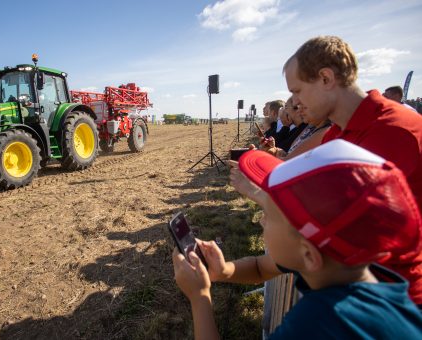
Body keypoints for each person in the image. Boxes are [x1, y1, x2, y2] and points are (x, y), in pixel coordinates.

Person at [232, 35, 422, 305]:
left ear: (325, 78)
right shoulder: (337, 134)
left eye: (297, 90)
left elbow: (344, 229)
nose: (294, 103)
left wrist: (267, 203)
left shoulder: (393, 132)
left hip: (393, 299)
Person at [174, 140, 422, 339]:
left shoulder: (323, 324)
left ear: (308, 254)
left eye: (268, 215)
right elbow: (261, 268)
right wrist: (224, 270)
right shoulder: (343, 268)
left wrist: (200, 298)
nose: (261, 221)